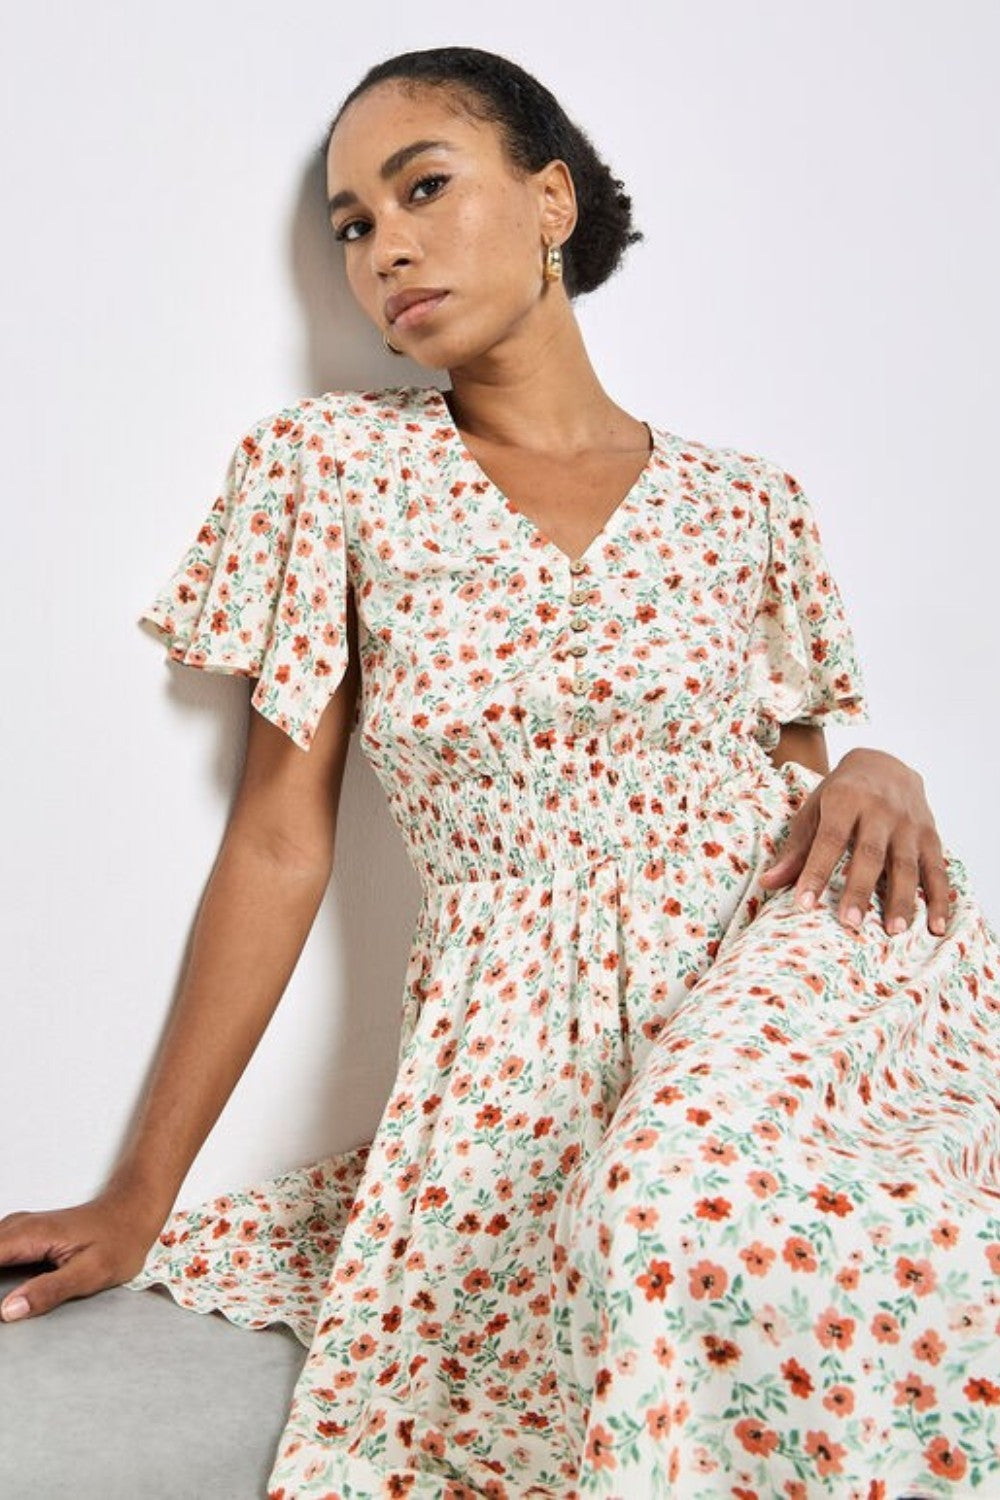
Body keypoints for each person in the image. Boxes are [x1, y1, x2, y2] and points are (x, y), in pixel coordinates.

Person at [1, 43, 997, 1499]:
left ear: (551, 202)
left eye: (422, 187)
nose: (384, 245)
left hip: (771, 978)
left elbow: (808, 798)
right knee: (655, 1245)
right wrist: (139, 1192)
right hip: (509, 1040)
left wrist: (891, 765)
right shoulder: (328, 468)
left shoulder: (750, 501)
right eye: (351, 226)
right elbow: (279, 844)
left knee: (737, 1215)